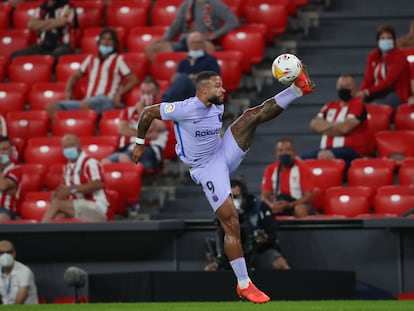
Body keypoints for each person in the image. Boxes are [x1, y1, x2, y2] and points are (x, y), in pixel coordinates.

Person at [131, 67, 315, 303]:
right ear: (204, 89)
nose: (223, 89)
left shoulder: (216, 103)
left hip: (221, 152)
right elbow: (147, 113)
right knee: (232, 222)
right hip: (205, 168)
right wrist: (139, 144)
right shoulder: (184, 108)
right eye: (218, 86)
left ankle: (297, 89)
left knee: (251, 115)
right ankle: (244, 283)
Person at [45, 28, 138, 120]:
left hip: (106, 100)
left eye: (110, 40)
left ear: (115, 44)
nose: (106, 42)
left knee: (85, 104)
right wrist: (68, 90)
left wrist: (119, 94)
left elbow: (133, 79)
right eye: (104, 39)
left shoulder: (118, 60)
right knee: (51, 107)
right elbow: (75, 76)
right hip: (88, 100)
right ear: (99, 42)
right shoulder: (91, 59)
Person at [205, 178, 290, 271]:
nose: (233, 201)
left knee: (281, 264)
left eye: (236, 197)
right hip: (232, 254)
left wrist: (264, 238)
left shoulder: (259, 208)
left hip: (258, 251)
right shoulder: (222, 212)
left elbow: (272, 234)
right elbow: (220, 236)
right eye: (230, 197)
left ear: (244, 195)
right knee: (209, 269)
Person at [300, 74, 370, 167]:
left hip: (350, 151)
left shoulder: (358, 104)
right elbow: (313, 125)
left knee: (325, 156)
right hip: (324, 149)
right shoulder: (329, 106)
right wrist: (337, 126)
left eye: (347, 86)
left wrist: (325, 127)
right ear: (337, 87)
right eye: (341, 86)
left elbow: (344, 129)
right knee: (297, 161)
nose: (344, 89)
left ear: (354, 88)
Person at [102, 77, 169, 172]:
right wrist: (147, 135)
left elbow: (149, 127)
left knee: (123, 159)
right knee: (105, 163)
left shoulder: (165, 111)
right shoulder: (129, 111)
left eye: (149, 93)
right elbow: (122, 130)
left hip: (150, 151)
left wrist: (142, 111)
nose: (145, 96)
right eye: (143, 92)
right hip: (126, 148)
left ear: (157, 94)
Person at [41, 134, 109, 222]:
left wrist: (72, 190)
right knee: (59, 217)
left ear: (80, 146)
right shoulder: (67, 168)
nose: (68, 149)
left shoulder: (90, 162)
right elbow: (64, 189)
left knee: (56, 204)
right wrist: (57, 193)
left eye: (71, 145)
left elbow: (98, 183)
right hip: (77, 206)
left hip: (96, 207)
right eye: (65, 147)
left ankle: (36, 232)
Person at [145, 0, 239, 61]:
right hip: (184, 42)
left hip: (202, 42)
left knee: (208, 49)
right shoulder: (186, 5)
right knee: (151, 49)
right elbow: (175, 26)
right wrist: (165, 39)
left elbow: (234, 22)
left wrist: (215, 34)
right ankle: (163, 81)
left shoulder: (216, 4)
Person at [356, 25, 411, 108]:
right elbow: (368, 79)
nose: (386, 40)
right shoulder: (373, 55)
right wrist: (361, 93)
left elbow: (389, 82)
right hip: (376, 92)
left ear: (393, 41)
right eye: (383, 38)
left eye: (389, 38)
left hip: (395, 93)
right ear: (378, 41)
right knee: (357, 104)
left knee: (374, 107)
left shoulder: (399, 57)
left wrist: (367, 92)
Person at [161, 31, 221, 102]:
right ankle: (167, 104)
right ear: (188, 44)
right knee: (182, 79)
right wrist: (189, 78)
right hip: (184, 91)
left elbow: (215, 79)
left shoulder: (211, 60)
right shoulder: (184, 62)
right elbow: (174, 79)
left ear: (203, 44)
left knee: (183, 78)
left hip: (202, 91)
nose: (195, 45)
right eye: (192, 42)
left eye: (198, 42)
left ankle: (165, 104)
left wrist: (197, 79)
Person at [261, 138, 313, 219]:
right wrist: (272, 205)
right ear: (276, 154)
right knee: (263, 208)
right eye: (281, 150)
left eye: (288, 150)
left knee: (300, 209)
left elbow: (308, 196)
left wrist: (290, 205)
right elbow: (264, 196)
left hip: (296, 203)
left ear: (294, 152)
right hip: (278, 204)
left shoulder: (303, 168)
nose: (284, 153)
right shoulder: (270, 169)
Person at [11, 0, 76, 61]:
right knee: (15, 55)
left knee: (56, 55)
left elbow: (62, 22)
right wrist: (54, 23)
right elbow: (31, 25)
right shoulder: (41, 8)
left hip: (62, 45)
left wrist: (40, 25)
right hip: (43, 45)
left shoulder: (68, 7)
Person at [0, 240, 39, 304]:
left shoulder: (24, 271)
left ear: (14, 254)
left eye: (9, 252)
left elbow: (19, 303)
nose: (5, 255)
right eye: (1, 253)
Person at [0, 136, 22, 221]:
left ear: (10, 151)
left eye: (5, 149)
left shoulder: (16, 169)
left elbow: (3, 186)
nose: (2, 153)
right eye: (0, 150)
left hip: (4, 210)